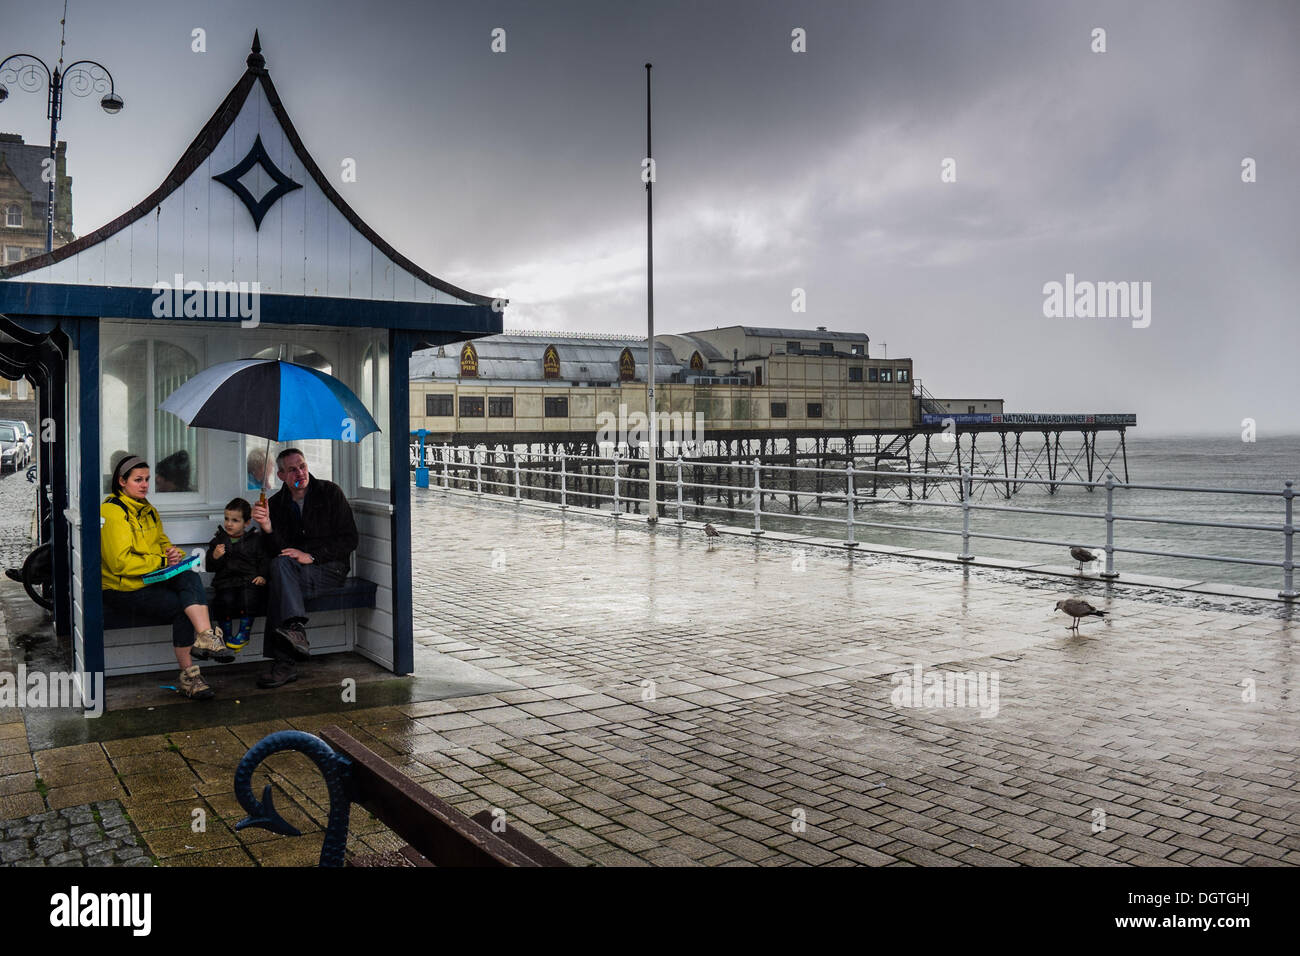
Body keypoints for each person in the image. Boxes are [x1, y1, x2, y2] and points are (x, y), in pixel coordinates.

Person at [101, 455, 230, 700]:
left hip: (149, 580)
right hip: (122, 590)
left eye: (147, 479)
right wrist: (162, 560)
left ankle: (204, 637)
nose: (144, 485)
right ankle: (191, 675)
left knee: (188, 573)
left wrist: (173, 553)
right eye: (138, 480)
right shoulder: (112, 512)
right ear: (121, 481)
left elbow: (163, 543)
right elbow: (119, 563)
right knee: (182, 607)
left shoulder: (148, 510)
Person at [250, 448, 357, 688]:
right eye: (292, 469)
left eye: (302, 466)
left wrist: (312, 555)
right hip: (293, 574)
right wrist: (267, 527)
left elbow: (350, 540)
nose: (300, 472)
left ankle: (285, 663)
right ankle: (294, 629)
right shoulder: (276, 504)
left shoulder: (330, 493)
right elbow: (276, 552)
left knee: (279, 583)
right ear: (281, 476)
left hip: (330, 569)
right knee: (279, 570)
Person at [205, 497, 269, 653]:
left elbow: (264, 559)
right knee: (224, 601)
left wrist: (263, 575)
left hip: (248, 581)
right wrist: (215, 556)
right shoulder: (219, 540)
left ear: (246, 523)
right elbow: (209, 566)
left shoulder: (254, 540)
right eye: (226, 519)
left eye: (235, 520)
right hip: (225, 582)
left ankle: (243, 633)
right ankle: (226, 635)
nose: (229, 523)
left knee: (249, 598)